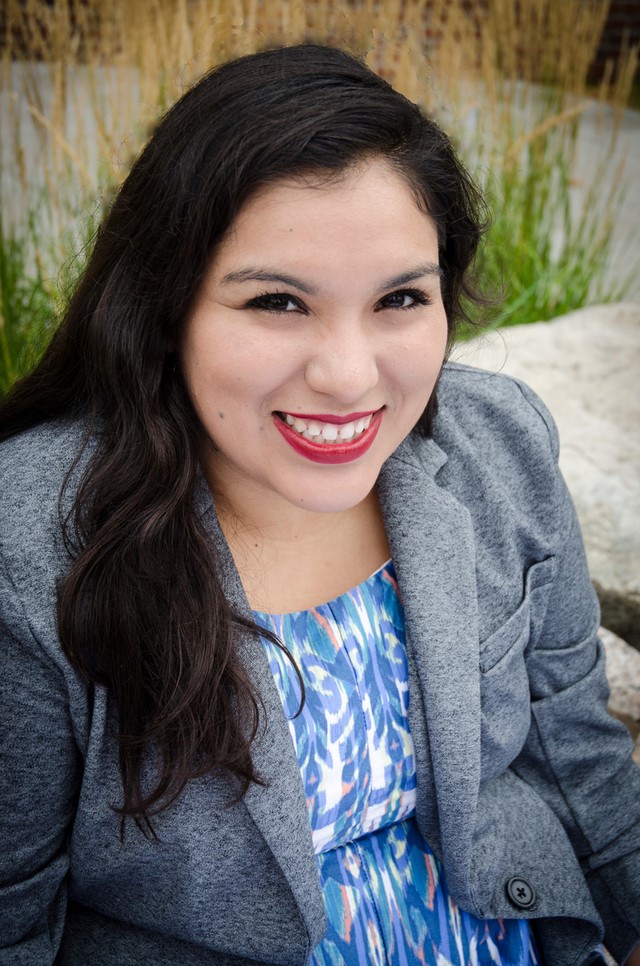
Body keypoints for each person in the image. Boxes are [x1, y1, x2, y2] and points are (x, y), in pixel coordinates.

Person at [0, 42, 638, 966]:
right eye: (278, 303)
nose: (348, 377)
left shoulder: (498, 448)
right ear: (162, 304)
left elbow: (584, 772)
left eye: (400, 298)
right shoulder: (29, 543)